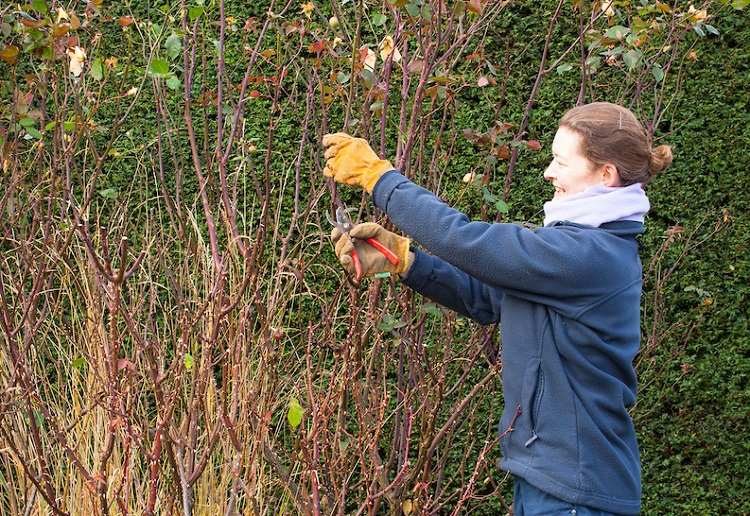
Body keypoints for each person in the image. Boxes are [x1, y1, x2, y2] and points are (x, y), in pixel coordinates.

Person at [322, 101, 673, 515]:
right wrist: (406, 261)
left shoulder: (589, 254)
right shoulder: (579, 247)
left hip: (576, 491)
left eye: (561, 161)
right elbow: (487, 299)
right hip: (552, 480)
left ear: (605, 174)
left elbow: (462, 240)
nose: (549, 172)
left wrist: (379, 178)